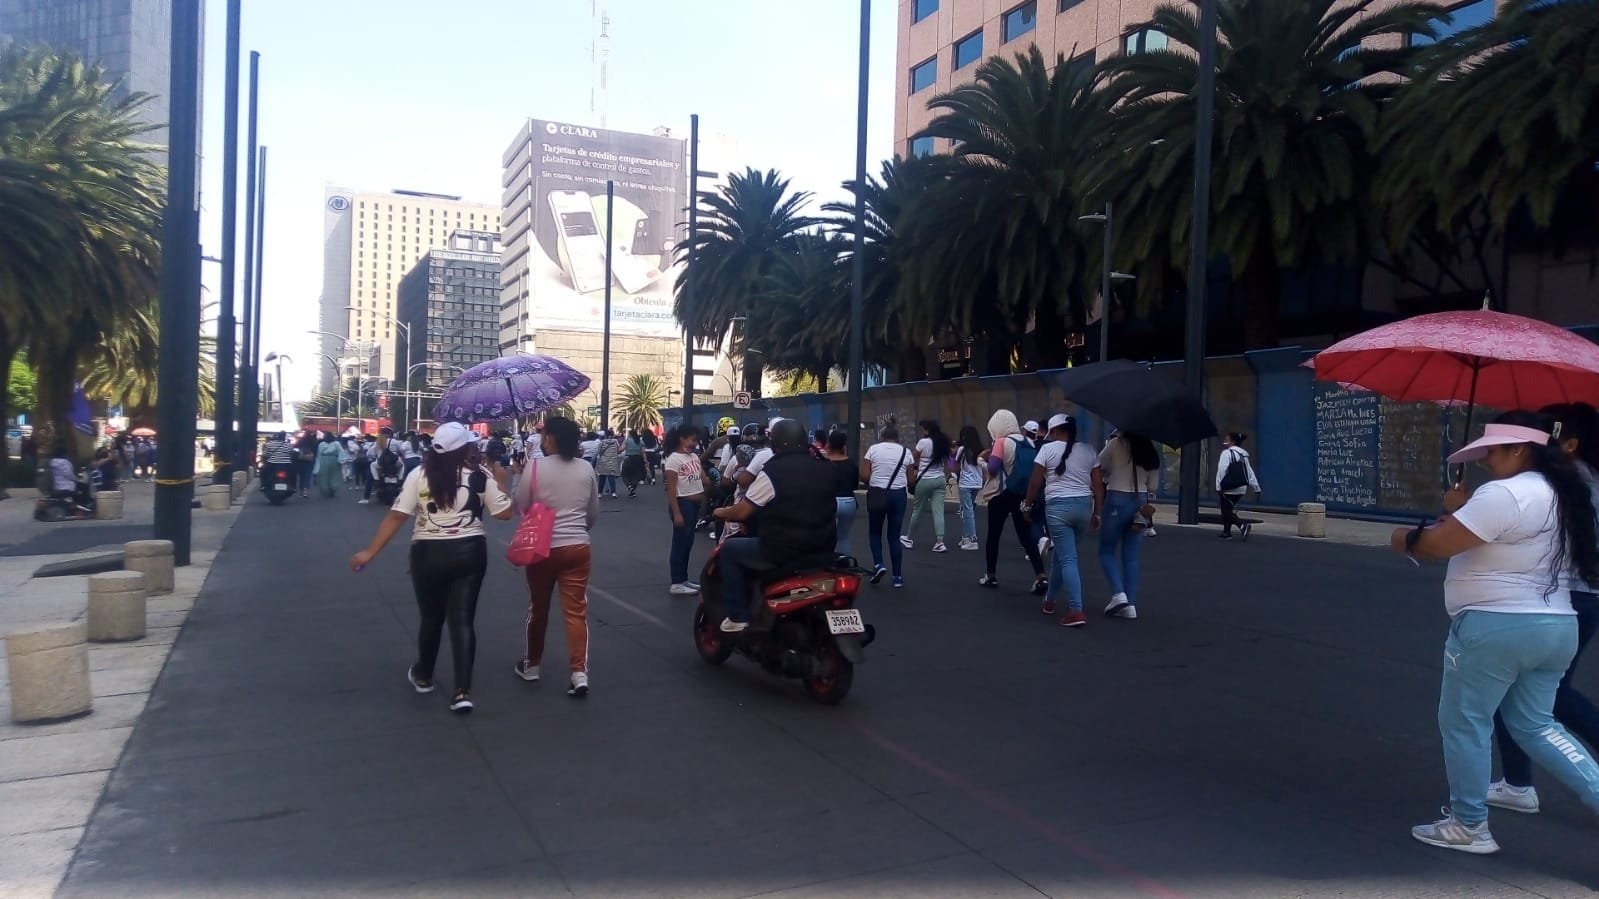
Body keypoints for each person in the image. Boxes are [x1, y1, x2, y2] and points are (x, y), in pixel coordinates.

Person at [1392, 410, 1599, 853]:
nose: (1485, 459)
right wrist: (1461, 512)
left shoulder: (1505, 493)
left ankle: (1469, 825)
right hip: (1556, 623)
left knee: (1465, 722)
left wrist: (1404, 538)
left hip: (1495, 626)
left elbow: (1438, 545)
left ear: (1520, 449)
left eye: (1493, 450)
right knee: (1537, 725)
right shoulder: (1565, 493)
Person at [1483, 403, 1599, 816]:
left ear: (1570, 443)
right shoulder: (1579, 479)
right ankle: (1516, 783)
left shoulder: (1568, 484)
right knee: (1535, 695)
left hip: (1569, 597)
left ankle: (1517, 784)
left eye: (1548, 440)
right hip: (1580, 598)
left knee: (1539, 698)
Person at [349, 422, 513, 714]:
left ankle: (424, 674)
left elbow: (397, 516)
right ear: (465, 448)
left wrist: (369, 552)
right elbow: (503, 514)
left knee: (431, 618)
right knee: (462, 620)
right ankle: (462, 691)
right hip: (471, 552)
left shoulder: (418, 475)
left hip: (428, 553)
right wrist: (501, 481)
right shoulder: (480, 475)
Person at [712, 420, 839, 632]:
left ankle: (737, 616)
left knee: (729, 551)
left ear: (775, 443)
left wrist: (720, 512)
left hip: (782, 549)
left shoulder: (772, 472)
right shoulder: (825, 468)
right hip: (824, 547)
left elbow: (743, 511)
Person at [513, 416, 600, 697]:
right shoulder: (586, 468)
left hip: (542, 548)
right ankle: (578, 672)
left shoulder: (535, 467)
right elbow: (592, 514)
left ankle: (532, 664)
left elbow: (522, 506)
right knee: (576, 611)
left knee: (538, 608)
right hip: (577, 547)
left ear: (549, 438)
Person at [1024, 414, 1100, 627]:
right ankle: (1049, 600)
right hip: (1084, 506)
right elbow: (1098, 484)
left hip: (1058, 508)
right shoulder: (1089, 449)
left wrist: (1027, 506)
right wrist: (1098, 513)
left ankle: (1076, 611)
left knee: (1067, 559)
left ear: (1055, 431)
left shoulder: (1046, 450)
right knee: (1062, 555)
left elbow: (1034, 482)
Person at [980, 410, 1047, 594]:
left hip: (1001, 494)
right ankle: (1040, 575)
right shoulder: (1028, 442)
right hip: (1022, 494)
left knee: (994, 535)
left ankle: (991, 575)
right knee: (1025, 536)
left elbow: (993, 469)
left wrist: (981, 461)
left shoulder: (1001, 442)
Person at [1096, 430, 1160, 619]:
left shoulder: (1116, 444)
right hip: (1140, 500)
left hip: (1116, 498)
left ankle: (1118, 594)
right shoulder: (1150, 450)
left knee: (1106, 551)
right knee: (1131, 557)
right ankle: (1130, 605)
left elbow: (1100, 464)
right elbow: (1153, 485)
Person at [861, 425, 912, 588]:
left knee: (875, 532)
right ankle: (897, 577)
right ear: (897, 438)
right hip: (898, 495)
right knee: (894, 535)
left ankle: (879, 565)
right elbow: (911, 480)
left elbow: (864, 475)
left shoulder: (873, 450)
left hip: (877, 493)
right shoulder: (906, 452)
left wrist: (874, 482)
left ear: (882, 436)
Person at [663, 425, 705, 595]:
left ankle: (684, 579)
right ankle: (676, 582)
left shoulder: (694, 456)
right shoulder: (673, 460)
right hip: (683, 505)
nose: (695, 444)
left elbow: (703, 478)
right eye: (692, 440)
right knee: (680, 543)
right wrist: (677, 512)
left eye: (696, 440)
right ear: (682, 438)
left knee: (688, 543)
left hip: (694, 505)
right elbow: (671, 489)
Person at [901, 420, 952, 553]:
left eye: (924, 429)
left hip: (924, 480)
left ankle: (909, 538)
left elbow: (911, 459)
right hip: (940, 479)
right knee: (938, 511)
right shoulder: (943, 442)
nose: (923, 432)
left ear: (928, 430)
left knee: (917, 510)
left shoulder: (924, 443)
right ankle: (940, 542)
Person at [1215, 432, 1261, 540]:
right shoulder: (1243, 455)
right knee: (1228, 509)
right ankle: (1226, 532)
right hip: (1241, 487)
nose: (1225, 441)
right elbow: (1249, 472)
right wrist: (1256, 488)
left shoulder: (1226, 453)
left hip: (1228, 486)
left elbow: (1221, 470)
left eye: (1227, 439)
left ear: (1232, 441)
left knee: (1225, 511)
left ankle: (1242, 525)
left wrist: (1219, 487)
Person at [824, 430, 858, 556]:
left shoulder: (824, 463)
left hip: (829, 502)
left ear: (829, 444)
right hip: (849, 501)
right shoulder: (851, 463)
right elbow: (855, 485)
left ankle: (827, 563)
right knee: (843, 537)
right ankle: (844, 565)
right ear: (844, 446)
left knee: (826, 535)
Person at [953, 426, 985, 551]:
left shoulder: (962, 449)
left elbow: (955, 466)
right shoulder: (980, 449)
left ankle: (972, 539)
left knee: (967, 510)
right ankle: (965, 537)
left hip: (965, 483)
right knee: (967, 510)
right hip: (977, 483)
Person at [314, 433, 342, 498]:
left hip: (323, 460)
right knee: (333, 475)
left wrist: (317, 464)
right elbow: (341, 452)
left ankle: (325, 491)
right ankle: (333, 489)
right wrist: (340, 461)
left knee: (323, 476)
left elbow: (318, 454)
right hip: (333, 460)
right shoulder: (336, 443)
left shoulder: (321, 444)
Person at [621, 429, 646, 498]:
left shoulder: (627, 440)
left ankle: (629, 485)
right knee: (636, 475)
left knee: (624, 474)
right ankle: (633, 490)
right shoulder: (640, 441)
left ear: (630, 434)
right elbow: (643, 452)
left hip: (628, 459)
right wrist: (645, 460)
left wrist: (618, 451)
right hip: (637, 459)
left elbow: (622, 449)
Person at [294, 430, 319, 497]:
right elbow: (316, 451)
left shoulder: (301, 440)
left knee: (301, 475)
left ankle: (301, 491)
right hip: (310, 460)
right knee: (307, 475)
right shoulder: (313, 441)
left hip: (300, 460)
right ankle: (305, 491)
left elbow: (295, 447)